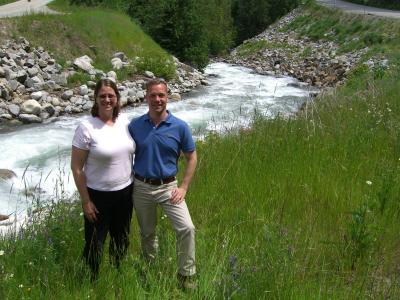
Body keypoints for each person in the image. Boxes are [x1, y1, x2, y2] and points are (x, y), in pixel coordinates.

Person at [128, 78, 197, 290]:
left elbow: (192, 157)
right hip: (141, 187)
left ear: (167, 97)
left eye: (161, 95)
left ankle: (186, 275)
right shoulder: (135, 125)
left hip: (169, 187)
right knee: (148, 232)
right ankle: (151, 268)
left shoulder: (180, 127)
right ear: (146, 97)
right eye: (153, 95)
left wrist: (183, 187)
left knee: (187, 227)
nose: (157, 99)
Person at [71, 78, 135, 279]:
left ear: (117, 98)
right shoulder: (86, 127)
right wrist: (86, 201)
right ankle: (91, 281)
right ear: (96, 99)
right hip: (98, 196)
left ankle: (118, 274)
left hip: (125, 192)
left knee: (121, 240)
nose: (107, 99)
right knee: (94, 244)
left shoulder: (126, 122)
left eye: (111, 96)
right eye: (103, 96)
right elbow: (76, 167)